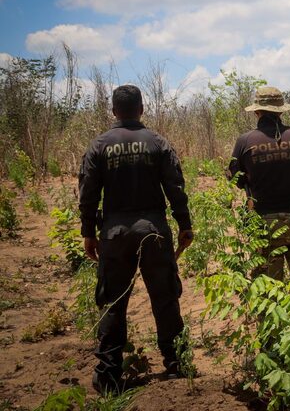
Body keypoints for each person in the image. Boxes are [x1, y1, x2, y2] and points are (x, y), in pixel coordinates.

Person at [79, 84, 193, 394]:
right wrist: (185, 224)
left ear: (114, 111)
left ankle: (109, 377)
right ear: (141, 109)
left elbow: (88, 193)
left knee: (113, 303)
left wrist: (88, 232)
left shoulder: (99, 145)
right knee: (165, 299)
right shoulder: (157, 142)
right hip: (154, 231)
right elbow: (175, 187)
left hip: (114, 235)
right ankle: (176, 365)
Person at [227, 86, 290, 288]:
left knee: (268, 294)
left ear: (256, 112)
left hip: (263, 225)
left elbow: (235, 178)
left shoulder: (245, 141)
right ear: (280, 111)